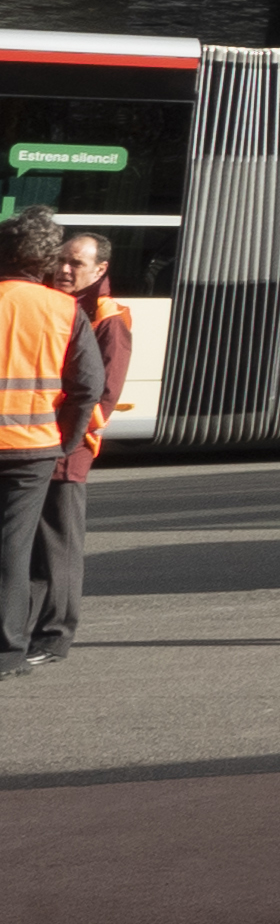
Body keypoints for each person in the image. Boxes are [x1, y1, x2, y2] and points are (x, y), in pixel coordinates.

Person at [0, 208, 115, 679]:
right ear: (46, 259)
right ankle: (8, 649)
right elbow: (89, 385)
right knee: (13, 548)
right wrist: (63, 440)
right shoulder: (64, 310)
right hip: (34, 451)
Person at [28, 230, 134, 665]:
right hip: (37, 441)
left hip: (66, 447)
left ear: (100, 269)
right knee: (32, 542)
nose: (65, 269)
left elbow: (103, 393)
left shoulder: (108, 315)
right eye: (61, 261)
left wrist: (68, 442)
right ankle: (24, 629)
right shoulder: (55, 302)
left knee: (60, 545)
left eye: (76, 263)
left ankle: (55, 636)